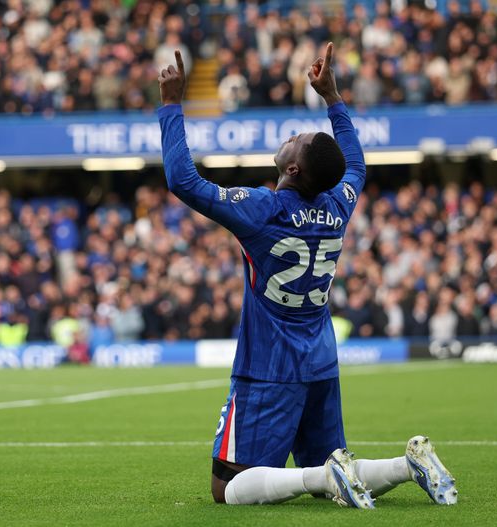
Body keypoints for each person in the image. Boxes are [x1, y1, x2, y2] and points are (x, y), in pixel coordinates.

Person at [157, 44, 457, 509]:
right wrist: (333, 98)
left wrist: (171, 104)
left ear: (293, 168)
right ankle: (407, 466)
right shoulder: (337, 206)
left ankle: (319, 479)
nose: (292, 135)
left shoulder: (263, 210)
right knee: (327, 463)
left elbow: (183, 181)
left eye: (296, 139)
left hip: (268, 369)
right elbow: (355, 165)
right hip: (319, 361)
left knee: (227, 489)